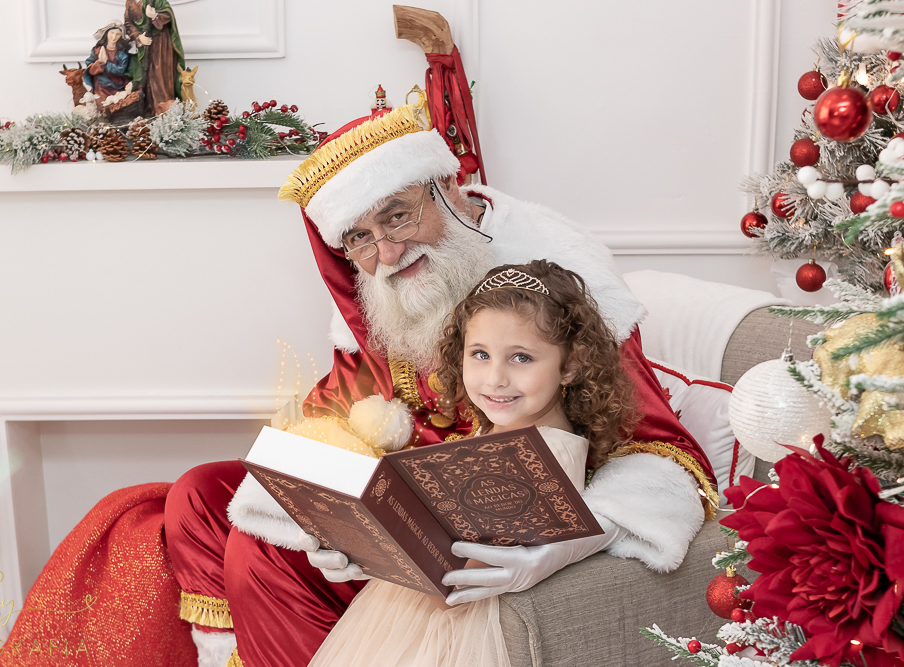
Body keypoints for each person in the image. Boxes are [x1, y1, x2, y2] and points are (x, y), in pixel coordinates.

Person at [166, 94, 718, 667]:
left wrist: (577, 537)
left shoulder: (563, 293)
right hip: (404, 526)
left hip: (494, 525)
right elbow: (329, 421)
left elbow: (663, 451)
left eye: (398, 216)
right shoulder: (379, 312)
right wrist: (336, 532)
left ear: (447, 190)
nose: (388, 252)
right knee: (203, 493)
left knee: (262, 554)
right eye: (359, 238)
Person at [306, 260, 639, 667]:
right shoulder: (496, 434)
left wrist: (385, 551)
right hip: (407, 616)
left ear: (569, 365)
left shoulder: (541, 454)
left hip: (455, 636)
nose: (494, 378)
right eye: (480, 354)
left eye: (521, 358)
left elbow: (455, 582)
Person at [124, 0, 185, 116]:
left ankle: (165, 110)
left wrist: (156, 16)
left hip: (161, 42)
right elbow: (128, 23)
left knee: (160, 74)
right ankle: (150, 110)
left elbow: (168, 14)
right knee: (146, 77)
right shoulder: (130, 2)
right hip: (144, 45)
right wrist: (138, 37)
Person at [83, 24, 133, 106]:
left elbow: (120, 70)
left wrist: (106, 64)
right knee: (101, 101)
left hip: (117, 83)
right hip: (100, 82)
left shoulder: (122, 54)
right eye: (112, 33)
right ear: (106, 34)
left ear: (121, 36)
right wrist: (98, 64)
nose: (114, 37)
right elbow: (89, 63)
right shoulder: (97, 50)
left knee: (116, 102)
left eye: (118, 34)